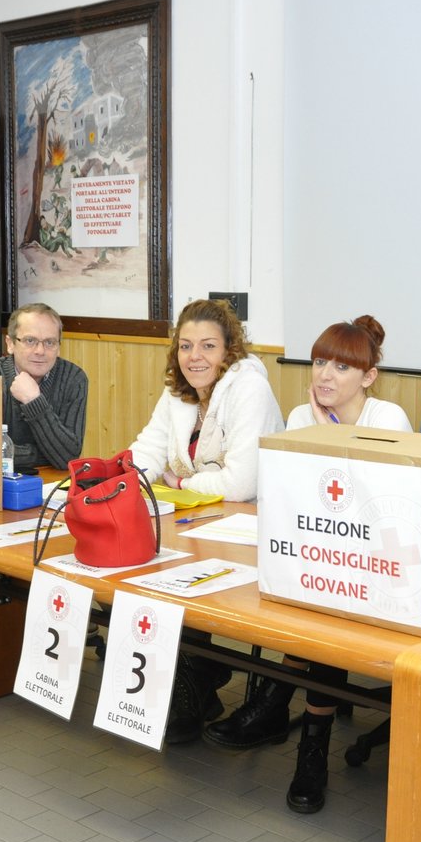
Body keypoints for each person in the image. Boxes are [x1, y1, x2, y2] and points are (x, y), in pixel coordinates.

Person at [204, 315, 411, 814]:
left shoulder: (389, 420)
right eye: (319, 362)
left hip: (377, 561)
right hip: (318, 553)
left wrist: (327, 439)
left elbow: (377, 507)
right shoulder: (300, 415)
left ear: (368, 376)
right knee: (304, 596)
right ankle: (289, 717)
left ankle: (301, 736)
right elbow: (294, 502)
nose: (325, 375)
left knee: (325, 607)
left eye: (342, 367)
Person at [129, 298, 284, 743]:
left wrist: (178, 483)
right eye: (185, 346)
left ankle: (193, 681)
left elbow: (239, 483)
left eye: (208, 346)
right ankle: (195, 679)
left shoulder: (248, 388)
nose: (194, 357)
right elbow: (149, 449)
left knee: (167, 573)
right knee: (134, 567)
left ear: (230, 350)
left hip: (247, 527)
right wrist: (124, 474)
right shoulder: (178, 391)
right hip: (198, 521)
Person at [0, 303, 88, 473]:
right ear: (10, 344)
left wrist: (33, 400)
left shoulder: (73, 379)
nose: (40, 351)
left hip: (50, 486)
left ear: (58, 347)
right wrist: (46, 452)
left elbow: (67, 458)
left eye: (50, 342)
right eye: (30, 341)